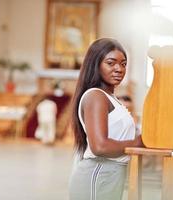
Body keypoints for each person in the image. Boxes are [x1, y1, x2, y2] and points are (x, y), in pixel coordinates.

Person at [69, 38, 143, 200]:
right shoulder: (96, 96)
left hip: (109, 174)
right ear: (96, 64)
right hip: (98, 174)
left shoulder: (110, 97)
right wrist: (138, 143)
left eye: (123, 64)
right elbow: (100, 146)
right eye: (111, 63)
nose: (119, 69)